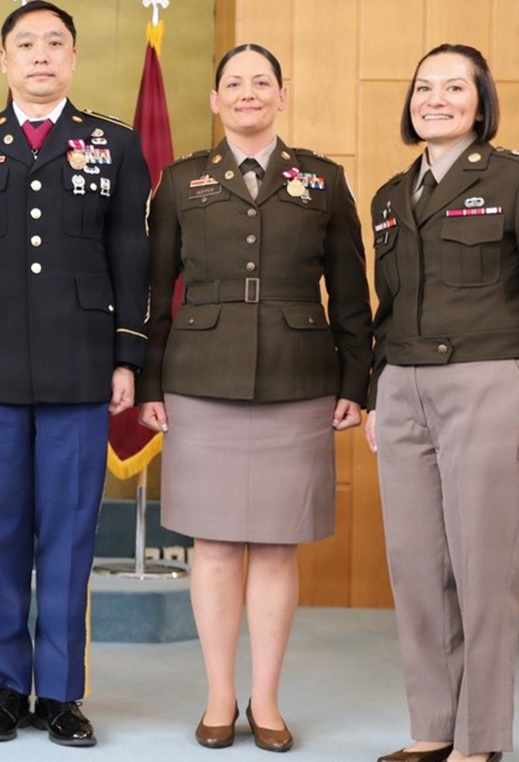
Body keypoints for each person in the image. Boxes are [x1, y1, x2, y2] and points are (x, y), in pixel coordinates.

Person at [365, 44, 519, 762]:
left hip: (490, 388)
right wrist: (375, 393)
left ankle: (481, 741)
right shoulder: (389, 196)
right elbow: (389, 306)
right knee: (416, 570)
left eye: (454, 87)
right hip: (402, 392)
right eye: (423, 87)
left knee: (483, 572)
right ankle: (433, 730)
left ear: (481, 100)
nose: (435, 98)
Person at [138, 43, 371, 752]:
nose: (247, 93)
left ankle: (265, 701)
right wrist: (148, 379)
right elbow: (155, 293)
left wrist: (356, 380)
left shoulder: (323, 182)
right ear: (215, 100)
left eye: (260, 82)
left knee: (275, 546)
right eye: (233, 83)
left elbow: (352, 291)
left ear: (282, 95)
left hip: (299, 375)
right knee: (211, 544)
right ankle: (217, 697)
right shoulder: (180, 182)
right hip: (200, 375)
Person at [0, 0, 151, 748]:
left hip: (81, 365)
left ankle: (60, 692)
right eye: (25, 44)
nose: (40, 56)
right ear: (3, 60)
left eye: (55, 43)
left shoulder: (113, 145)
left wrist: (128, 356)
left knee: (67, 534)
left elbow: (132, 255)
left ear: (73, 57)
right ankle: (2, 686)